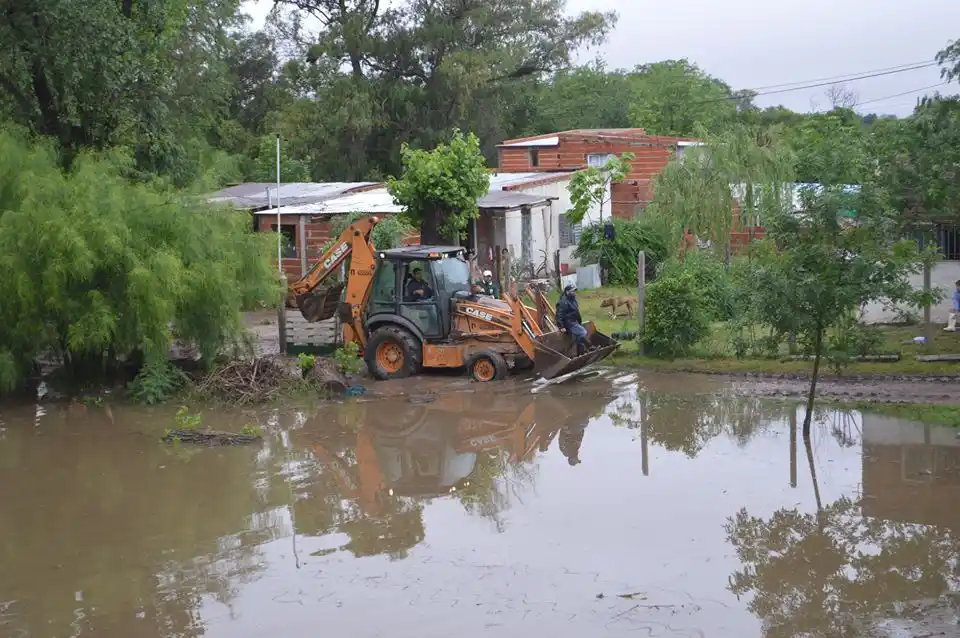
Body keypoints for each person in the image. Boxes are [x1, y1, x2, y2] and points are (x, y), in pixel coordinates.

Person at [555, 284, 588, 354]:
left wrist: (579, 321)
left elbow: (576, 311)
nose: (574, 293)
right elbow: (559, 315)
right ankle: (589, 347)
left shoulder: (573, 299)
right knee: (583, 332)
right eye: (572, 291)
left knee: (580, 335)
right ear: (567, 292)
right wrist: (561, 326)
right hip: (569, 323)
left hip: (574, 321)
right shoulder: (563, 302)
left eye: (575, 291)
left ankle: (581, 351)